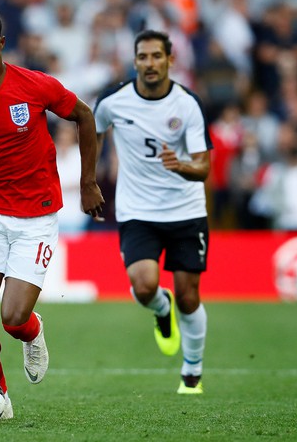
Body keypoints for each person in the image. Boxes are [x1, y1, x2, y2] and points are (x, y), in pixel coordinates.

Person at [0, 7, 105, 419]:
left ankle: (33, 331)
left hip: (36, 217)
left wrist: (87, 182)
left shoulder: (34, 85)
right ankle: (0, 399)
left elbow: (84, 115)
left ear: (1, 46)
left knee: (12, 318)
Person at [93, 30, 212, 395]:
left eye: (156, 56)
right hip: (137, 211)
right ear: (135, 62)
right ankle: (162, 310)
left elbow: (204, 166)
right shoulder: (113, 101)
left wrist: (181, 166)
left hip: (185, 210)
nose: (149, 63)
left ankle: (192, 370)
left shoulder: (187, 104)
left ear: (169, 60)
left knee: (189, 296)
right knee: (144, 286)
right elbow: (92, 136)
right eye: (142, 57)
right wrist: (89, 183)